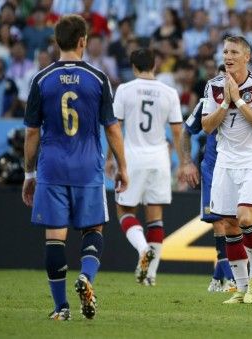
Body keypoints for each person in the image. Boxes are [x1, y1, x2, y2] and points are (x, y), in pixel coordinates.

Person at [22, 15, 128, 321]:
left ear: (56, 42)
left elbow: (31, 132)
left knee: (55, 238)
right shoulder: (98, 79)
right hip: (88, 167)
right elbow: (112, 129)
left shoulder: (41, 80)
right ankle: (86, 278)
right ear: (82, 41)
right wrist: (122, 166)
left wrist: (30, 174)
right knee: (93, 229)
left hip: (52, 167)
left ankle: (61, 308)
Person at [201, 36, 252, 304]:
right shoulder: (213, 86)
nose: (228, 56)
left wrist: (239, 102)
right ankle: (242, 288)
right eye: (224, 52)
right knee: (229, 224)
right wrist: (225, 103)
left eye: (234, 52)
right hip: (225, 161)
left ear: (247, 56)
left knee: (245, 218)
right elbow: (207, 126)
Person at [180, 99, 252, 293]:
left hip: (246, 168)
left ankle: (227, 277)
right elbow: (186, 130)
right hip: (214, 170)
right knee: (222, 223)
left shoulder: (250, 99)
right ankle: (232, 279)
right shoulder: (207, 102)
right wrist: (186, 161)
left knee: (241, 220)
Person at [106, 48, 183, 286]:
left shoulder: (124, 90)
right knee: (155, 217)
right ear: (155, 65)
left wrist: (110, 158)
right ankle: (150, 275)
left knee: (124, 211)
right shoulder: (169, 92)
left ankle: (142, 250)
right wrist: (183, 162)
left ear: (133, 67)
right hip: (159, 158)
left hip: (132, 157)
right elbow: (178, 130)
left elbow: (115, 127)